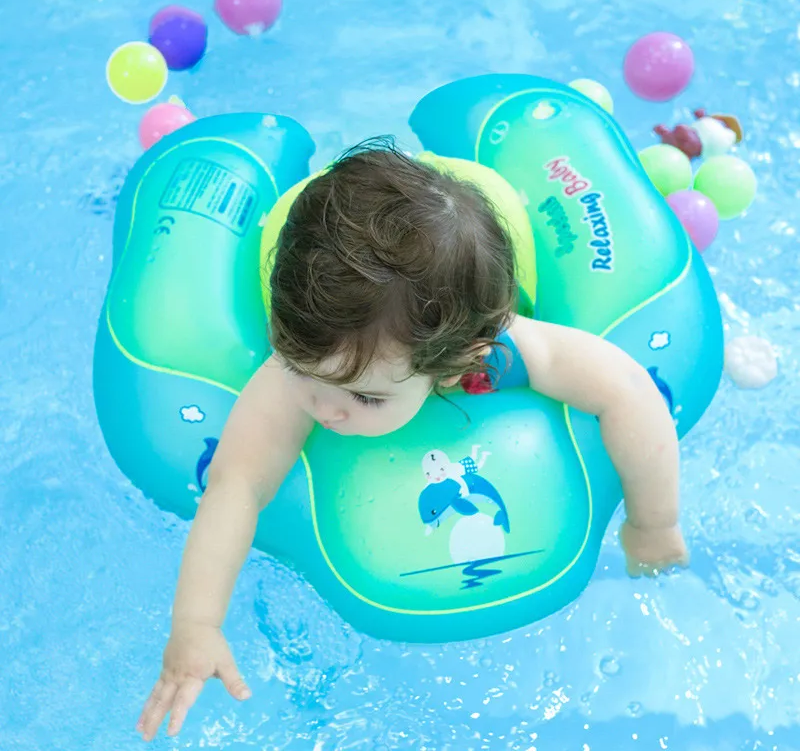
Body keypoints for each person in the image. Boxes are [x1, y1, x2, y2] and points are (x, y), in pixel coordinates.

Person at [137, 140, 688, 741]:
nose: (325, 409)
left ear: (454, 368)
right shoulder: (312, 359)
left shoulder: (501, 351)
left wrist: (653, 524)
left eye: (365, 398)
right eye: (302, 371)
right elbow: (236, 483)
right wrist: (196, 625)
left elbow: (630, 392)